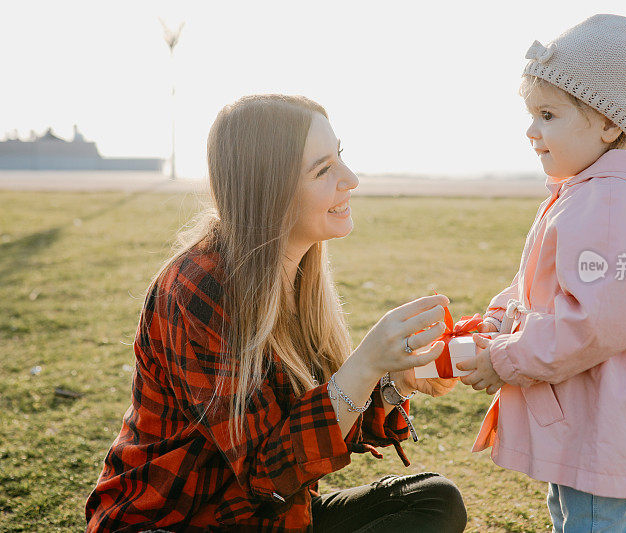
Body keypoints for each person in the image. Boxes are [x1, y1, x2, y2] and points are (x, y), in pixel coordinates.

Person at [85, 95, 468, 533]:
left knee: (434, 500)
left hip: (270, 520)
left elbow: (312, 423)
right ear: (269, 189)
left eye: (340, 156)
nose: (351, 179)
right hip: (176, 522)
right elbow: (267, 476)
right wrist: (364, 365)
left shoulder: (298, 273)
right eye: (323, 170)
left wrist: (395, 383)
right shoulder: (200, 288)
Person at [455, 15, 626, 532]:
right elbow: (547, 283)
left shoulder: (610, 200)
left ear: (609, 124)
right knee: (572, 511)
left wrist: (506, 358)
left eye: (548, 114)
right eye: (531, 114)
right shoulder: (588, 190)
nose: (531, 131)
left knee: (590, 517)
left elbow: (593, 323)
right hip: (580, 397)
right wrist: (501, 318)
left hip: (601, 401)